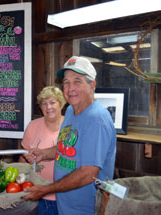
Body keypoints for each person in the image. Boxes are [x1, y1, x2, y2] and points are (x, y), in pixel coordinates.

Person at [23, 56, 116, 215]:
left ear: (92, 85)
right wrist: (45, 153)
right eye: (66, 82)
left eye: (77, 81)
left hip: (85, 208)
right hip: (65, 204)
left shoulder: (97, 119)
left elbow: (88, 174)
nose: (70, 87)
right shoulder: (72, 110)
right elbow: (68, 147)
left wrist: (47, 189)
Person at [19, 86, 66, 215]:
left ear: (61, 104)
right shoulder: (33, 126)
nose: (48, 107)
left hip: (65, 196)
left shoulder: (71, 126)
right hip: (37, 194)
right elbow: (22, 158)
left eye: (52, 102)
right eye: (44, 103)